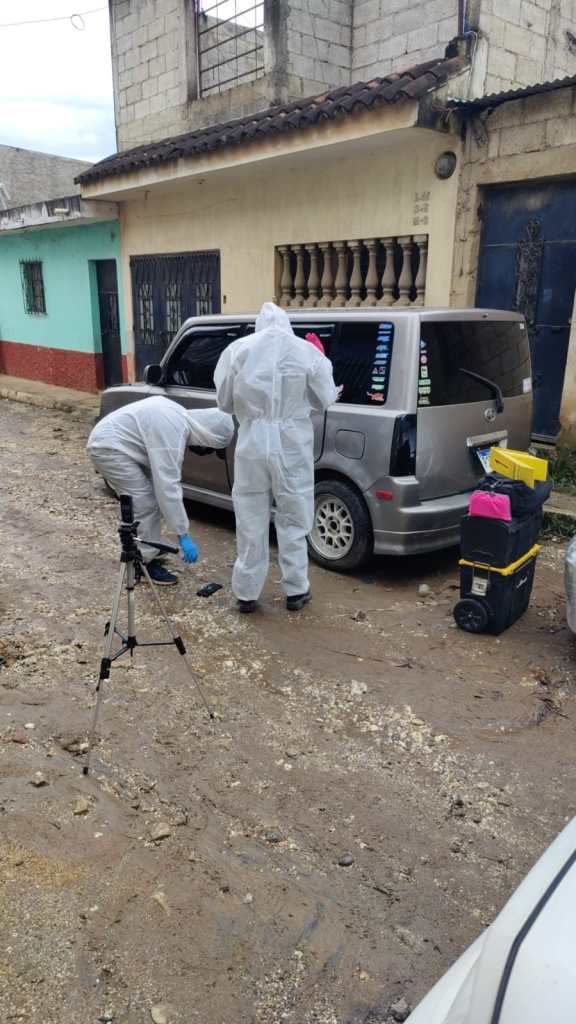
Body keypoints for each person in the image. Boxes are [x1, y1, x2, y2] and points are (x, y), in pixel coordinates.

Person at [214, 302, 339, 613]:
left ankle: (246, 594)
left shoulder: (238, 349)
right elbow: (325, 399)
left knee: (250, 517)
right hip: (291, 441)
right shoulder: (306, 352)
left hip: (253, 440)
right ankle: (296, 591)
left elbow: (224, 401)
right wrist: (321, 359)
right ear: (287, 324)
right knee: (294, 516)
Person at [87, 397, 234, 585]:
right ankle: (143, 562)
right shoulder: (173, 432)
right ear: (207, 436)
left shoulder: (177, 414)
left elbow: (162, 484)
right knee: (144, 502)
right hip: (109, 448)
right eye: (210, 448)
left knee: (147, 499)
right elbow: (169, 487)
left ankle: (147, 544)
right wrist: (183, 534)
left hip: (118, 444)